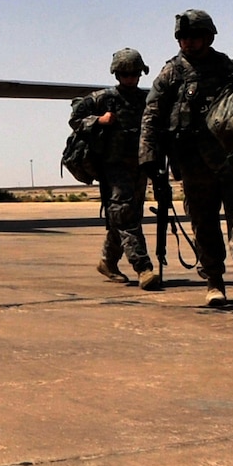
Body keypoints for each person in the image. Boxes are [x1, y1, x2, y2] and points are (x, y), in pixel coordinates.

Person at [141, 12, 233, 309]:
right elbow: (151, 115)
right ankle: (214, 281)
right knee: (204, 223)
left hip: (232, 157)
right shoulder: (171, 73)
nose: (189, 43)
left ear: (209, 37)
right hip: (193, 163)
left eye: (195, 36)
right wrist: (148, 156)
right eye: (184, 37)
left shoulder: (227, 67)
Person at [72, 49, 161, 290]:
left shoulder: (146, 100)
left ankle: (108, 261)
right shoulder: (103, 99)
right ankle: (143, 268)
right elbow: (76, 118)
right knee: (126, 217)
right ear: (116, 74)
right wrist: (98, 120)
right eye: (124, 74)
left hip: (140, 167)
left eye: (133, 74)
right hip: (113, 168)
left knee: (123, 218)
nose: (129, 78)